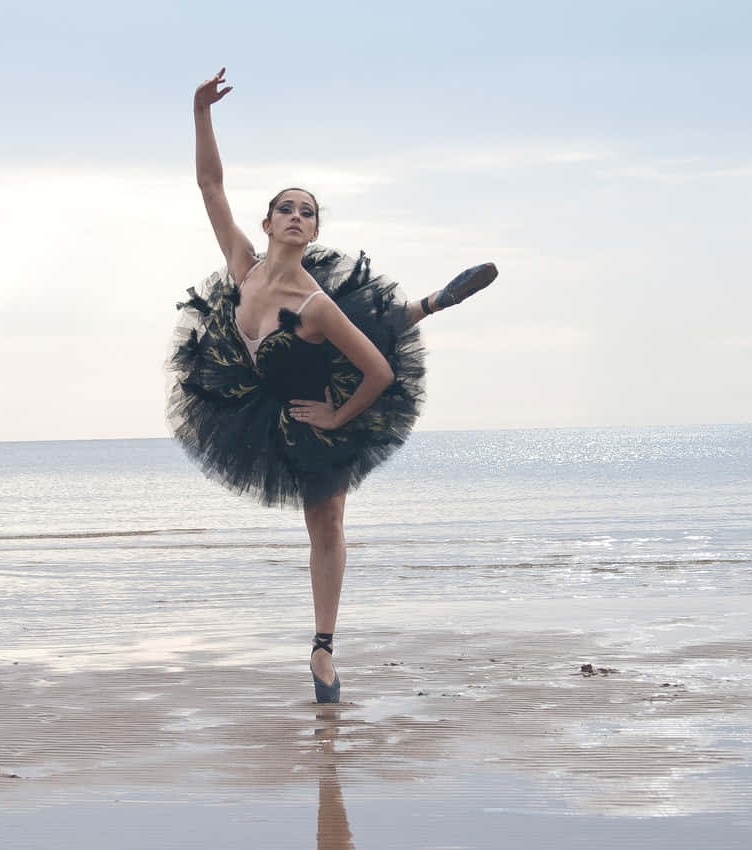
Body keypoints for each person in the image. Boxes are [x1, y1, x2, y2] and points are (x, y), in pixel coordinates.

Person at [168, 68, 497, 703]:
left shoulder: (315, 303)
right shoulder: (244, 267)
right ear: (267, 224)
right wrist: (200, 112)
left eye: (307, 212)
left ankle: (322, 647)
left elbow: (378, 370)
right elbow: (210, 187)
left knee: (326, 523)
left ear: (315, 232)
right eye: (285, 208)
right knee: (367, 322)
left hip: (322, 394)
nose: (296, 216)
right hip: (261, 388)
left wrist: (339, 417)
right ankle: (428, 301)